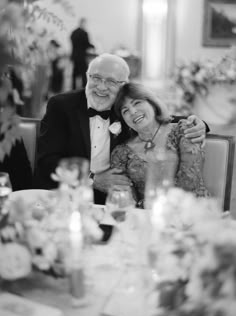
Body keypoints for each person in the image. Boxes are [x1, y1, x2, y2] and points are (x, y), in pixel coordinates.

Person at [34, 53, 209, 205]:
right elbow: (46, 161)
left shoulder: (124, 111)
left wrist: (199, 123)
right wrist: (91, 180)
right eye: (95, 78)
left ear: (123, 85)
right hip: (67, 194)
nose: (101, 87)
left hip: (109, 198)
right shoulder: (61, 106)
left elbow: (157, 118)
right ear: (87, 76)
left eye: (111, 81)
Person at [110, 82, 210, 207]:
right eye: (125, 111)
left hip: (191, 211)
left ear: (152, 103)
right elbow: (125, 200)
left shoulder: (183, 130)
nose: (133, 111)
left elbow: (189, 183)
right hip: (147, 217)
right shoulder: (121, 153)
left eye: (137, 103)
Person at [70, 17, 94, 89]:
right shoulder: (84, 33)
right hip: (81, 56)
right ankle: (84, 89)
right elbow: (87, 44)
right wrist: (93, 46)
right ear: (83, 23)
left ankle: (73, 89)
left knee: (74, 74)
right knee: (84, 73)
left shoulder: (73, 32)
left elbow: (72, 42)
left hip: (74, 56)